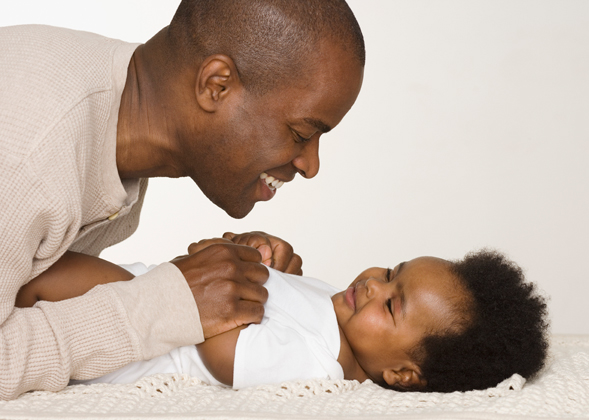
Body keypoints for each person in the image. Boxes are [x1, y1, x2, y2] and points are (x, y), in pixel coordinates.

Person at [0, 0, 365, 399]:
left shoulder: (113, 110)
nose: (311, 166)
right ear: (216, 86)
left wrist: (247, 287)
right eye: (300, 133)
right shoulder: (29, 155)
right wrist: (166, 304)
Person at [17, 238, 549, 393]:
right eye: (391, 269)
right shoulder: (334, 305)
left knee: (37, 283)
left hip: (140, 340)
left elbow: (228, 355)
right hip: (150, 288)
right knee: (35, 264)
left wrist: (218, 278)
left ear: (403, 373)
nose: (371, 283)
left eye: (391, 304)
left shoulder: (317, 367)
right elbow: (277, 289)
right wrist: (255, 253)